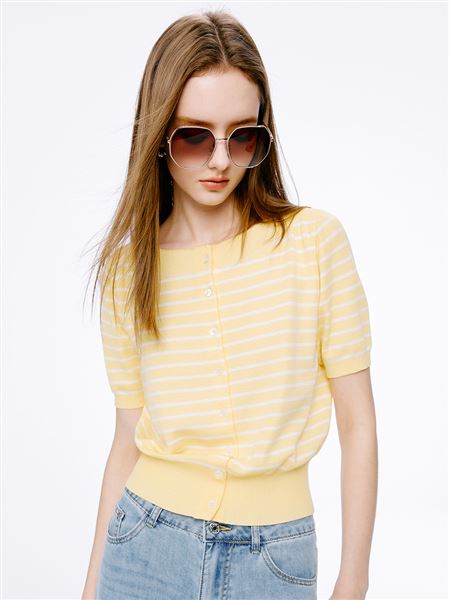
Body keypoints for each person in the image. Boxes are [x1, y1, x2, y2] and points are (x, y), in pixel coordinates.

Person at [82, 9, 378, 600]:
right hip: (143, 547)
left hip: (274, 556)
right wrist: (91, 588)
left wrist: (354, 579)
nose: (220, 160)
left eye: (243, 136)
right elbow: (128, 436)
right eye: (194, 137)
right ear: (158, 136)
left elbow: (358, 423)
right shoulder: (128, 270)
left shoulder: (313, 243)